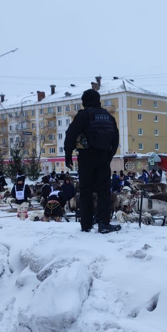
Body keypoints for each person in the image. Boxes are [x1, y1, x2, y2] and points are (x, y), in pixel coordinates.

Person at [64, 88, 121, 234]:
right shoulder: (108, 117)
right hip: (103, 157)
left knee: (85, 191)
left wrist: (68, 154)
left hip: (86, 157)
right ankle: (103, 223)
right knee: (103, 191)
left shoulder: (83, 116)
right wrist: (108, 156)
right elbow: (115, 139)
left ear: (85, 101)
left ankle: (86, 224)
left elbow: (71, 133)